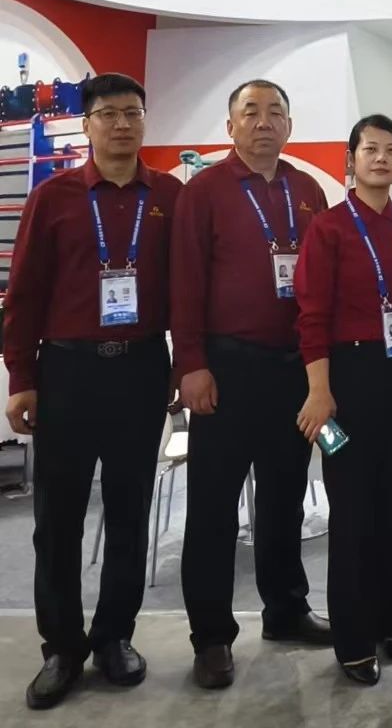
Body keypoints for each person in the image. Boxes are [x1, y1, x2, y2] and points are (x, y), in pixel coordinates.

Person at [3, 74, 181, 711]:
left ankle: (114, 637)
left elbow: (187, 290)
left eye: (133, 112)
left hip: (140, 370)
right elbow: (24, 292)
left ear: (144, 119)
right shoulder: (52, 197)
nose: (122, 124)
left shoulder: (169, 196)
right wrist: (22, 377)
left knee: (130, 511)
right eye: (108, 114)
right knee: (58, 519)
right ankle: (61, 646)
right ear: (87, 124)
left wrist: (184, 365)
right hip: (68, 373)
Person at [170, 79, 331, 689]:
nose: (264, 122)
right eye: (251, 112)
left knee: (285, 498)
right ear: (231, 125)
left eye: (275, 112)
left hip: (293, 370)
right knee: (213, 506)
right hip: (226, 370)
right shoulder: (205, 190)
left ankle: (286, 610)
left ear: (289, 124)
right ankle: (211, 636)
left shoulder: (307, 190)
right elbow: (184, 282)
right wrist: (191, 363)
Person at [294, 115, 392, 686]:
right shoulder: (327, 228)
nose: (381, 158)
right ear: (351, 161)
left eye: (391, 150)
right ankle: (352, 638)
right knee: (352, 514)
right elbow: (312, 316)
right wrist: (319, 391)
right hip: (346, 381)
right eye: (370, 149)